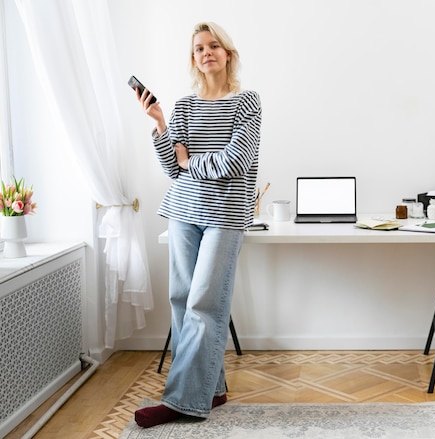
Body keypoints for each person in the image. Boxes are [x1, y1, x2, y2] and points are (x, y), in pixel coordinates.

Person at [133, 22, 262, 428]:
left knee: (205, 303)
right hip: (184, 212)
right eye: (198, 48)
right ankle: (212, 388)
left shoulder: (248, 103)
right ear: (194, 58)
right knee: (182, 300)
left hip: (226, 216)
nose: (206, 52)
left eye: (213, 46)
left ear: (228, 54)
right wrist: (160, 124)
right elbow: (174, 168)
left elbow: (235, 162)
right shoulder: (185, 107)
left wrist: (193, 162)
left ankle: (182, 401)